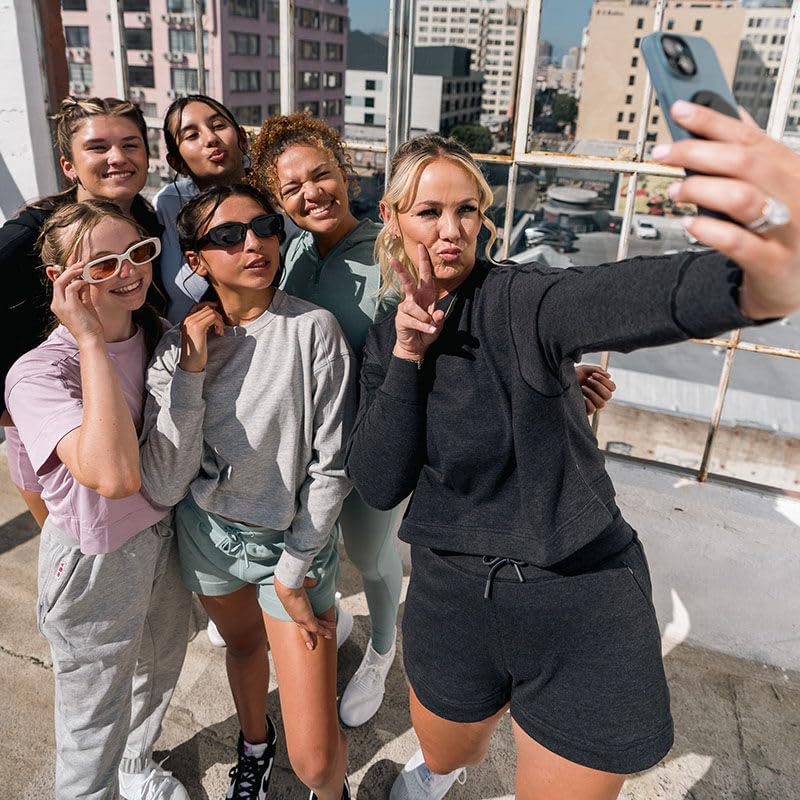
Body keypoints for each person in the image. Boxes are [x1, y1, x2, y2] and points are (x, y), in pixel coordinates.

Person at [345, 103, 800, 800]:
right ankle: (440, 770)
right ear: (392, 216)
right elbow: (379, 482)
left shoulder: (521, 299)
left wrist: (754, 284)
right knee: (446, 749)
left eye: (467, 211)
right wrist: (409, 356)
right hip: (453, 597)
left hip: (582, 594)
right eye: (429, 212)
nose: (451, 230)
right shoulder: (387, 340)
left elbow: (615, 297)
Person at [248, 112, 617, 728]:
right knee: (322, 546)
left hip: (375, 440)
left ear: (346, 171)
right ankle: (338, 623)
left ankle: (382, 649)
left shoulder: (397, 249)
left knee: (370, 554)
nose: (311, 193)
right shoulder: (293, 255)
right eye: (291, 188)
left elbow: (468, 322)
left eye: (321, 174)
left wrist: (551, 383)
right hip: (310, 442)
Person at [139, 183, 355, 800]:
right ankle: (254, 746)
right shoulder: (176, 348)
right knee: (241, 646)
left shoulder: (312, 330)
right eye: (229, 236)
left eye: (264, 227)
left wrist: (293, 569)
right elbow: (165, 481)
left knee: (316, 761)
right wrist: (191, 372)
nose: (254, 244)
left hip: (292, 547)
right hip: (208, 537)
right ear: (197, 260)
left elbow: (332, 467)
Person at [3, 200, 191, 800]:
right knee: (92, 722)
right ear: (59, 278)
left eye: (137, 253)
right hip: (95, 564)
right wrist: (88, 338)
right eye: (103, 264)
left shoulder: (157, 334)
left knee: (161, 663)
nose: (128, 272)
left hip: (163, 538)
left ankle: (136, 763)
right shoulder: (38, 374)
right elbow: (111, 475)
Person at [0, 95, 165, 526]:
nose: (118, 158)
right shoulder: (27, 237)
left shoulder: (149, 220)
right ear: (68, 165)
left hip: (129, 415)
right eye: (98, 147)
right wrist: (12, 407)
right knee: (76, 543)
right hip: (56, 428)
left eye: (130, 144)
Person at [154, 94, 251, 324]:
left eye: (218, 126)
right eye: (191, 135)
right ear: (176, 162)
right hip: (183, 340)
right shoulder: (169, 204)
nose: (211, 139)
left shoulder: (278, 200)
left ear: (242, 138)